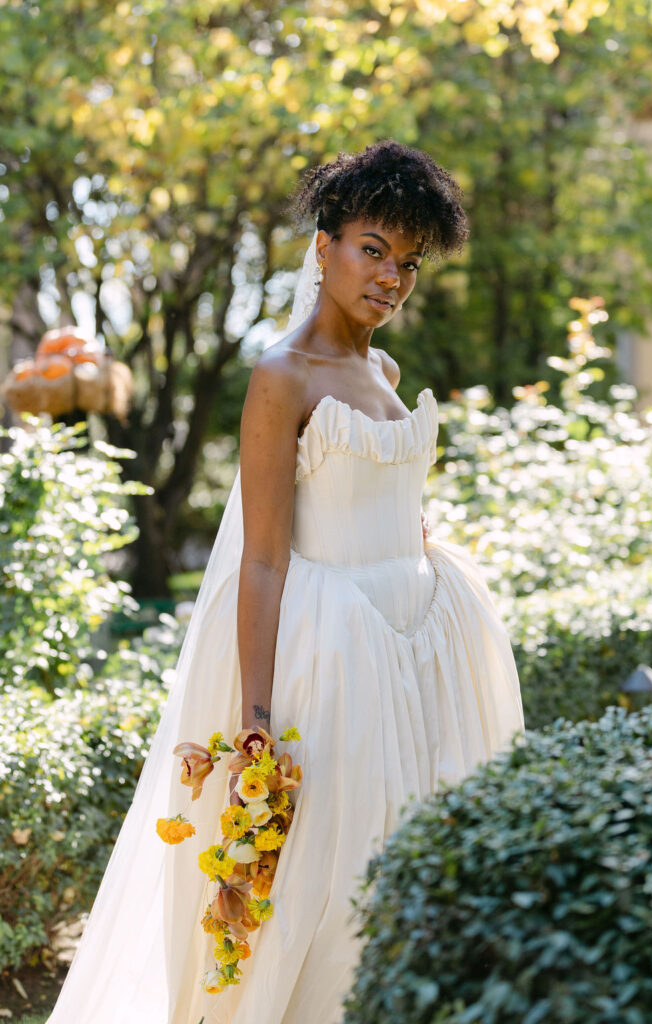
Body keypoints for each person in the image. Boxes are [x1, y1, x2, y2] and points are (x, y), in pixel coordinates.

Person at [47, 140, 525, 1024]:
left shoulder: (382, 372)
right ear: (323, 247)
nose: (390, 276)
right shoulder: (281, 375)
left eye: (408, 261)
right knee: (333, 880)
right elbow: (263, 556)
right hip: (338, 651)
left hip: (423, 642)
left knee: (419, 853)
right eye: (372, 250)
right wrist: (256, 717)